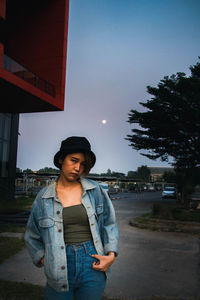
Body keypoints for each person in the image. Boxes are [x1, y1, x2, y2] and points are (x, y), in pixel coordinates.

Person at [24, 136, 118, 300]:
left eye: (83, 164)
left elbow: (109, 224)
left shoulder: (95, 191)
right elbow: (32, 234)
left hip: (92, 263)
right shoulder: (44, 197)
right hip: (59, 264)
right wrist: (46, 259)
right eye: (73, 160)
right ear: (61, 159)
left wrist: (110, 256)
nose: (77, 168)